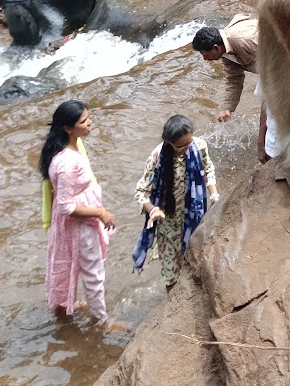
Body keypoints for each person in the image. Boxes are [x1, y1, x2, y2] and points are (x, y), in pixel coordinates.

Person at [41, 100, 117, 329]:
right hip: (81, 226)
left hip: (79, 224)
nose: (90, 123)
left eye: (88, 117)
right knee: (94, 275)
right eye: (84, 121)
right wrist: (100, 212)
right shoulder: (65, 162)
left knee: (85, 269)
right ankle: (101, 322)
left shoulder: (73, 146)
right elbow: (66, 206)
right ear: (68, 128)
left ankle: (70, 311)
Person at [132, 114, 218, 292]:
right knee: (171, 272)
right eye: (180, 147)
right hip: (168, 224)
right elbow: (141, 192)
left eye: (188, 143)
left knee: (194, 262)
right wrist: (153, 209)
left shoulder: (200, 147)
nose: (186, 149)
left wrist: (214, 194)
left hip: (194, 217)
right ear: (169, 142)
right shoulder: (157, 158)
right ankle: (170, 306)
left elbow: (208, 170)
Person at [193, 19, 257, 123]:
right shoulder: (226, 52)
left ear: (216, 48)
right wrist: (228, 108)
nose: (205, 59)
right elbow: (234, 79)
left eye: (205, 54)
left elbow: (279, 54)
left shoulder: (244, 40)